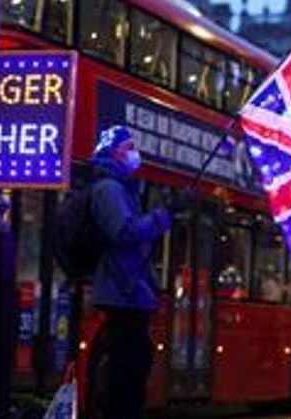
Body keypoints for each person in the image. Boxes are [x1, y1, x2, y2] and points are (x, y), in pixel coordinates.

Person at [85, 125, 180, 419]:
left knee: (137, 364)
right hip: (120, 292)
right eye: (129, 148)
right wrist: (162, 218)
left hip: (131, 292)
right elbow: (124, 232)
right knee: (126, 370)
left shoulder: (122, 188)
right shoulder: (109, 189)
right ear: (113, 152)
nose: (134, 154)